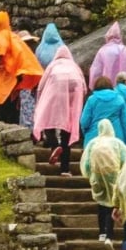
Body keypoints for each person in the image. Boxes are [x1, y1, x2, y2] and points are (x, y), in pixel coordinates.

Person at [34, 45, 89, 174]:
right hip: (72, 98)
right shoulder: (74, 66)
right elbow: (84, 87)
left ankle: (54, 145)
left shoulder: (53, 65)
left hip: (54, 95)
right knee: (67, 133)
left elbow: (41, 86)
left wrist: (41, 103)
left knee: (47, 122)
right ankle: (65, 169)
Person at [82, 117, 126, 245]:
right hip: (113, 176)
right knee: (111, 203)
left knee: (101, 203)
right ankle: (109, 235)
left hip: (97, 176)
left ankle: (101, 233)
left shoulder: (93, 143)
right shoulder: (117, 143)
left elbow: (86, 163)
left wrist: (89, 175)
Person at [0, 12, 44, 124]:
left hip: (10, 75)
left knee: (6, 104)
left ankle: (6, 126)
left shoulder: (2, 36)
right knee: (14, 104)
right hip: (20, 74)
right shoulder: (11, 35)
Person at [81, 76, 126, 149]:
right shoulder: (119, 99)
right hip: (116, 138)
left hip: (94, 139)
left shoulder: (92, 99)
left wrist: (85, 132)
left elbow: (84, 121)